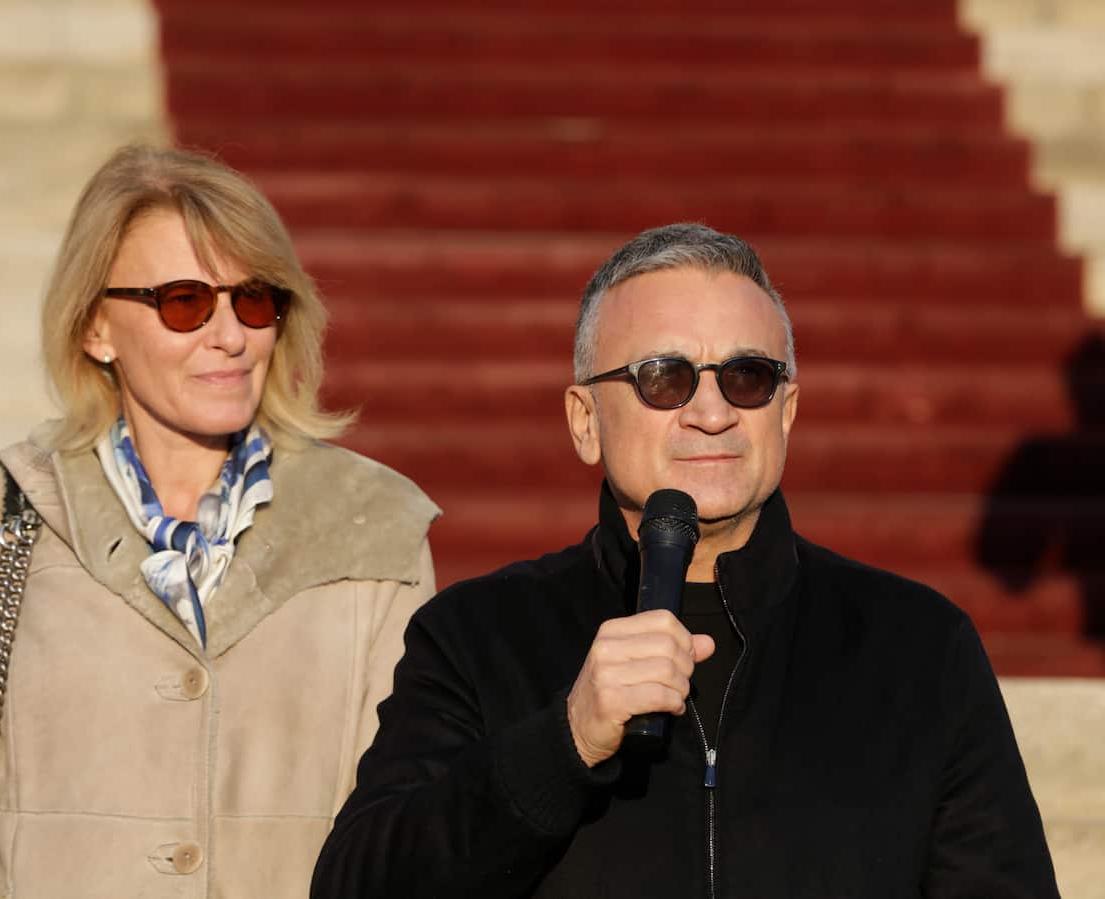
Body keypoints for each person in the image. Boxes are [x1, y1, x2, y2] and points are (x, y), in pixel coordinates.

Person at [311, 223, 1058, 898]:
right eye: (664, 377)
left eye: (748, 376)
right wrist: (564, 742)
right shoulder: (476, 636)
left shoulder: (918, 647)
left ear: (786, 412)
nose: (711, 411)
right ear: (585, 421)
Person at [0, 144, 439, 898]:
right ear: (96, 328)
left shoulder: (375, 533)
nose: (229, 334)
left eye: (252, 299)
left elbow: (399, 839)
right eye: (184, 301)